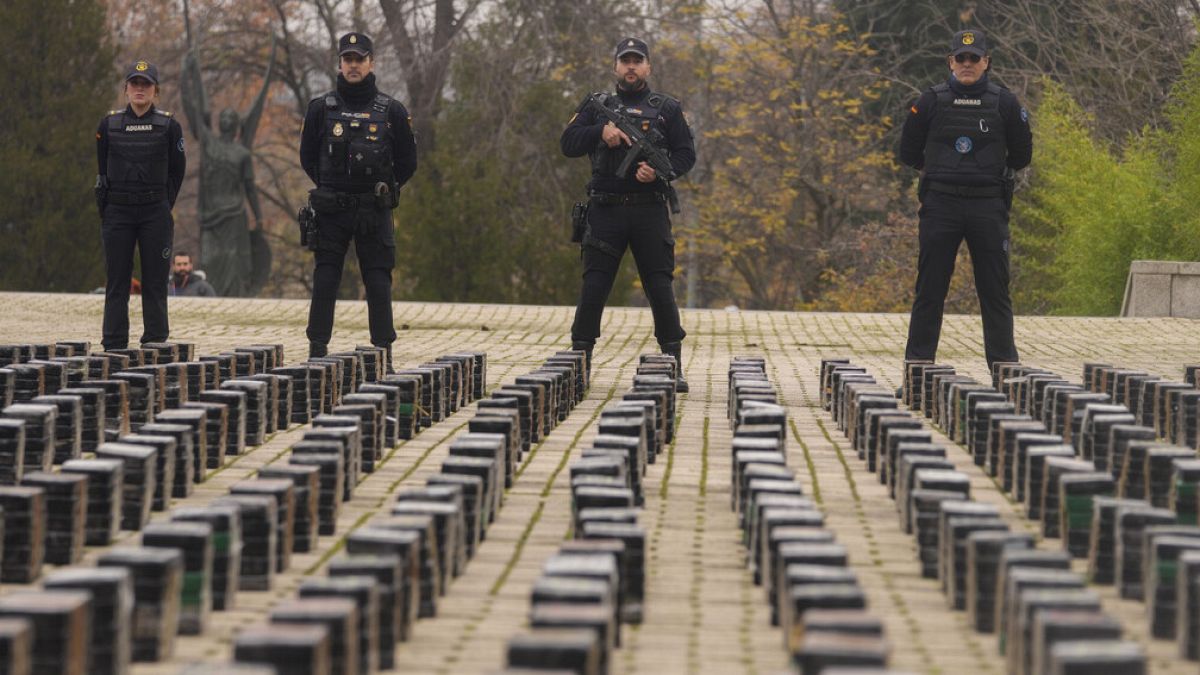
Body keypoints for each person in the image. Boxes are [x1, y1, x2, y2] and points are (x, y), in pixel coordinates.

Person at [560, 37, 696, 392]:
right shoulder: (597, 106)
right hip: (605, 210)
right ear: (615, 67)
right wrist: (599, 133)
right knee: (594, 286)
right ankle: (579, 363)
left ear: (648, 67)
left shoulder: (667, 108)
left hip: (649, 211)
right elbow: (568, 143)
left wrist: (660, 173)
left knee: (659, 286)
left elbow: (685, 154)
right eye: (625, 61)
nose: (631, 67)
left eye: (638, 61)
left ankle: (672, 363)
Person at [898, 29, 1032, 383]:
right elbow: (907, 152)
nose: (968, 64)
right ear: (951, 62)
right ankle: (916, 373)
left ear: (987, 62)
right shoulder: (929, 101)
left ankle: (1005, 375)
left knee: (994, 291)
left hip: (987, 207)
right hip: (941, 205)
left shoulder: (1005, 103)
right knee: (930, 289)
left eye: (975, 59)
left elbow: (1022, 155)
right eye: (961, 58)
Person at [299, 32, 418, 372]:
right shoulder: (321, 109)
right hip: (331, 209)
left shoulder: (392, 111)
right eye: (348, 59)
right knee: (325, 278)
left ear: (371, 63)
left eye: (359, 59)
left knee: (378, 280)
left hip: (373, 209)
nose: (353, 65)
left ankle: (384, 352)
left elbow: (408, 162)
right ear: (339, 63)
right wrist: (329, 189)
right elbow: (307, 156)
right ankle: (317, 350)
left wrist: (384, 191)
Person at [95, 60, 186, 351]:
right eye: (134, 83)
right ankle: (114, 342)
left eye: (145, 84)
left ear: (155, 91)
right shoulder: (108, 126)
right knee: (117, 281)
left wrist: (162, 203)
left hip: (154, 213)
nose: (139, 89)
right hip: (118, 212)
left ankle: (155, 340)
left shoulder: (169, 126)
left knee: (155, 282)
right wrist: (110, 208)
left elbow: (177, 171)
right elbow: (102, 169)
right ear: (126, 89)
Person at [181, 40, 274, 297]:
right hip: (210, 215)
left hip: (234, 216)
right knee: (211, 260)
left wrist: (260, 216)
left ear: (236, 126)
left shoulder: (242, 153)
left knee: (236, 264)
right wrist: (184, 73)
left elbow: (250, 188)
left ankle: (237, 302)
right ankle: (211, 300)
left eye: (230, 118)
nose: (225, 120)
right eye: (223, 117)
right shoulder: (208, 142)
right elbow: (192, 109)